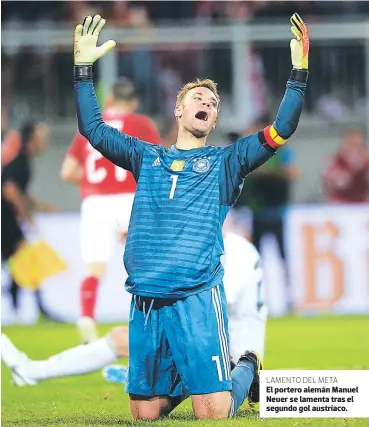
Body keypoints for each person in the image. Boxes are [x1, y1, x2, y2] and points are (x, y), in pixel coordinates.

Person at [69, 13, 308, 420]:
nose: (207, 104)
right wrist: (82, 71)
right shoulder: (147, 157)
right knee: (145, 414)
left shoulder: (227, 161)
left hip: (197, 295)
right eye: (197, 98)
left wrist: (298, 73)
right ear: (178, 112)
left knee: (212, 413)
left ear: (213, 120)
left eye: (213, 104)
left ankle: (245, 365)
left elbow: (281, 129)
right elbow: (92, 127)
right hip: (146, 296)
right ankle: (190, 376)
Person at [0, 231, 267, 389]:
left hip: (233, 359)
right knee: (134, 350)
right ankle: (151, 377)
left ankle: (32, 371)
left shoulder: (235, 251)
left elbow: (211, 307)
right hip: (213, 347)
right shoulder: (217, 245)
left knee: (128, 341)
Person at [60, 78, 162, 343]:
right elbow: (156, 166)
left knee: (94, 268)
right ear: (134, 102)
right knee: (146, 265)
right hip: (131, 199)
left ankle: (86, 317)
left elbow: (67, 171)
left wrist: (95, 179)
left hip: (95, 202)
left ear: (107, 101)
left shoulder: (92, 126)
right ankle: (150, 319)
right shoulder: (142, 124)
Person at [1, 121, 57, 319]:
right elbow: (9, 191)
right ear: (32, 139)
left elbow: (19, 191)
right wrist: (26, 214)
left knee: (20, 263)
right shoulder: (20, 161)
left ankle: (19, 309)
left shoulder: (20, 161)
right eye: (42, 137)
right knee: (24, 261)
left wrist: (40, 206)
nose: (45, 142)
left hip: (7, 221)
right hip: (5, 221)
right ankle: (35, 309)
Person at [322, 129, 369, 203]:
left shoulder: (366, 160)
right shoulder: (336, 160)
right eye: (351, 144)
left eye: (357, 145)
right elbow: (333, 184)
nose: (354, 148)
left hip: (363, 203)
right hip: (341, 203)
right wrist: (351, 170)